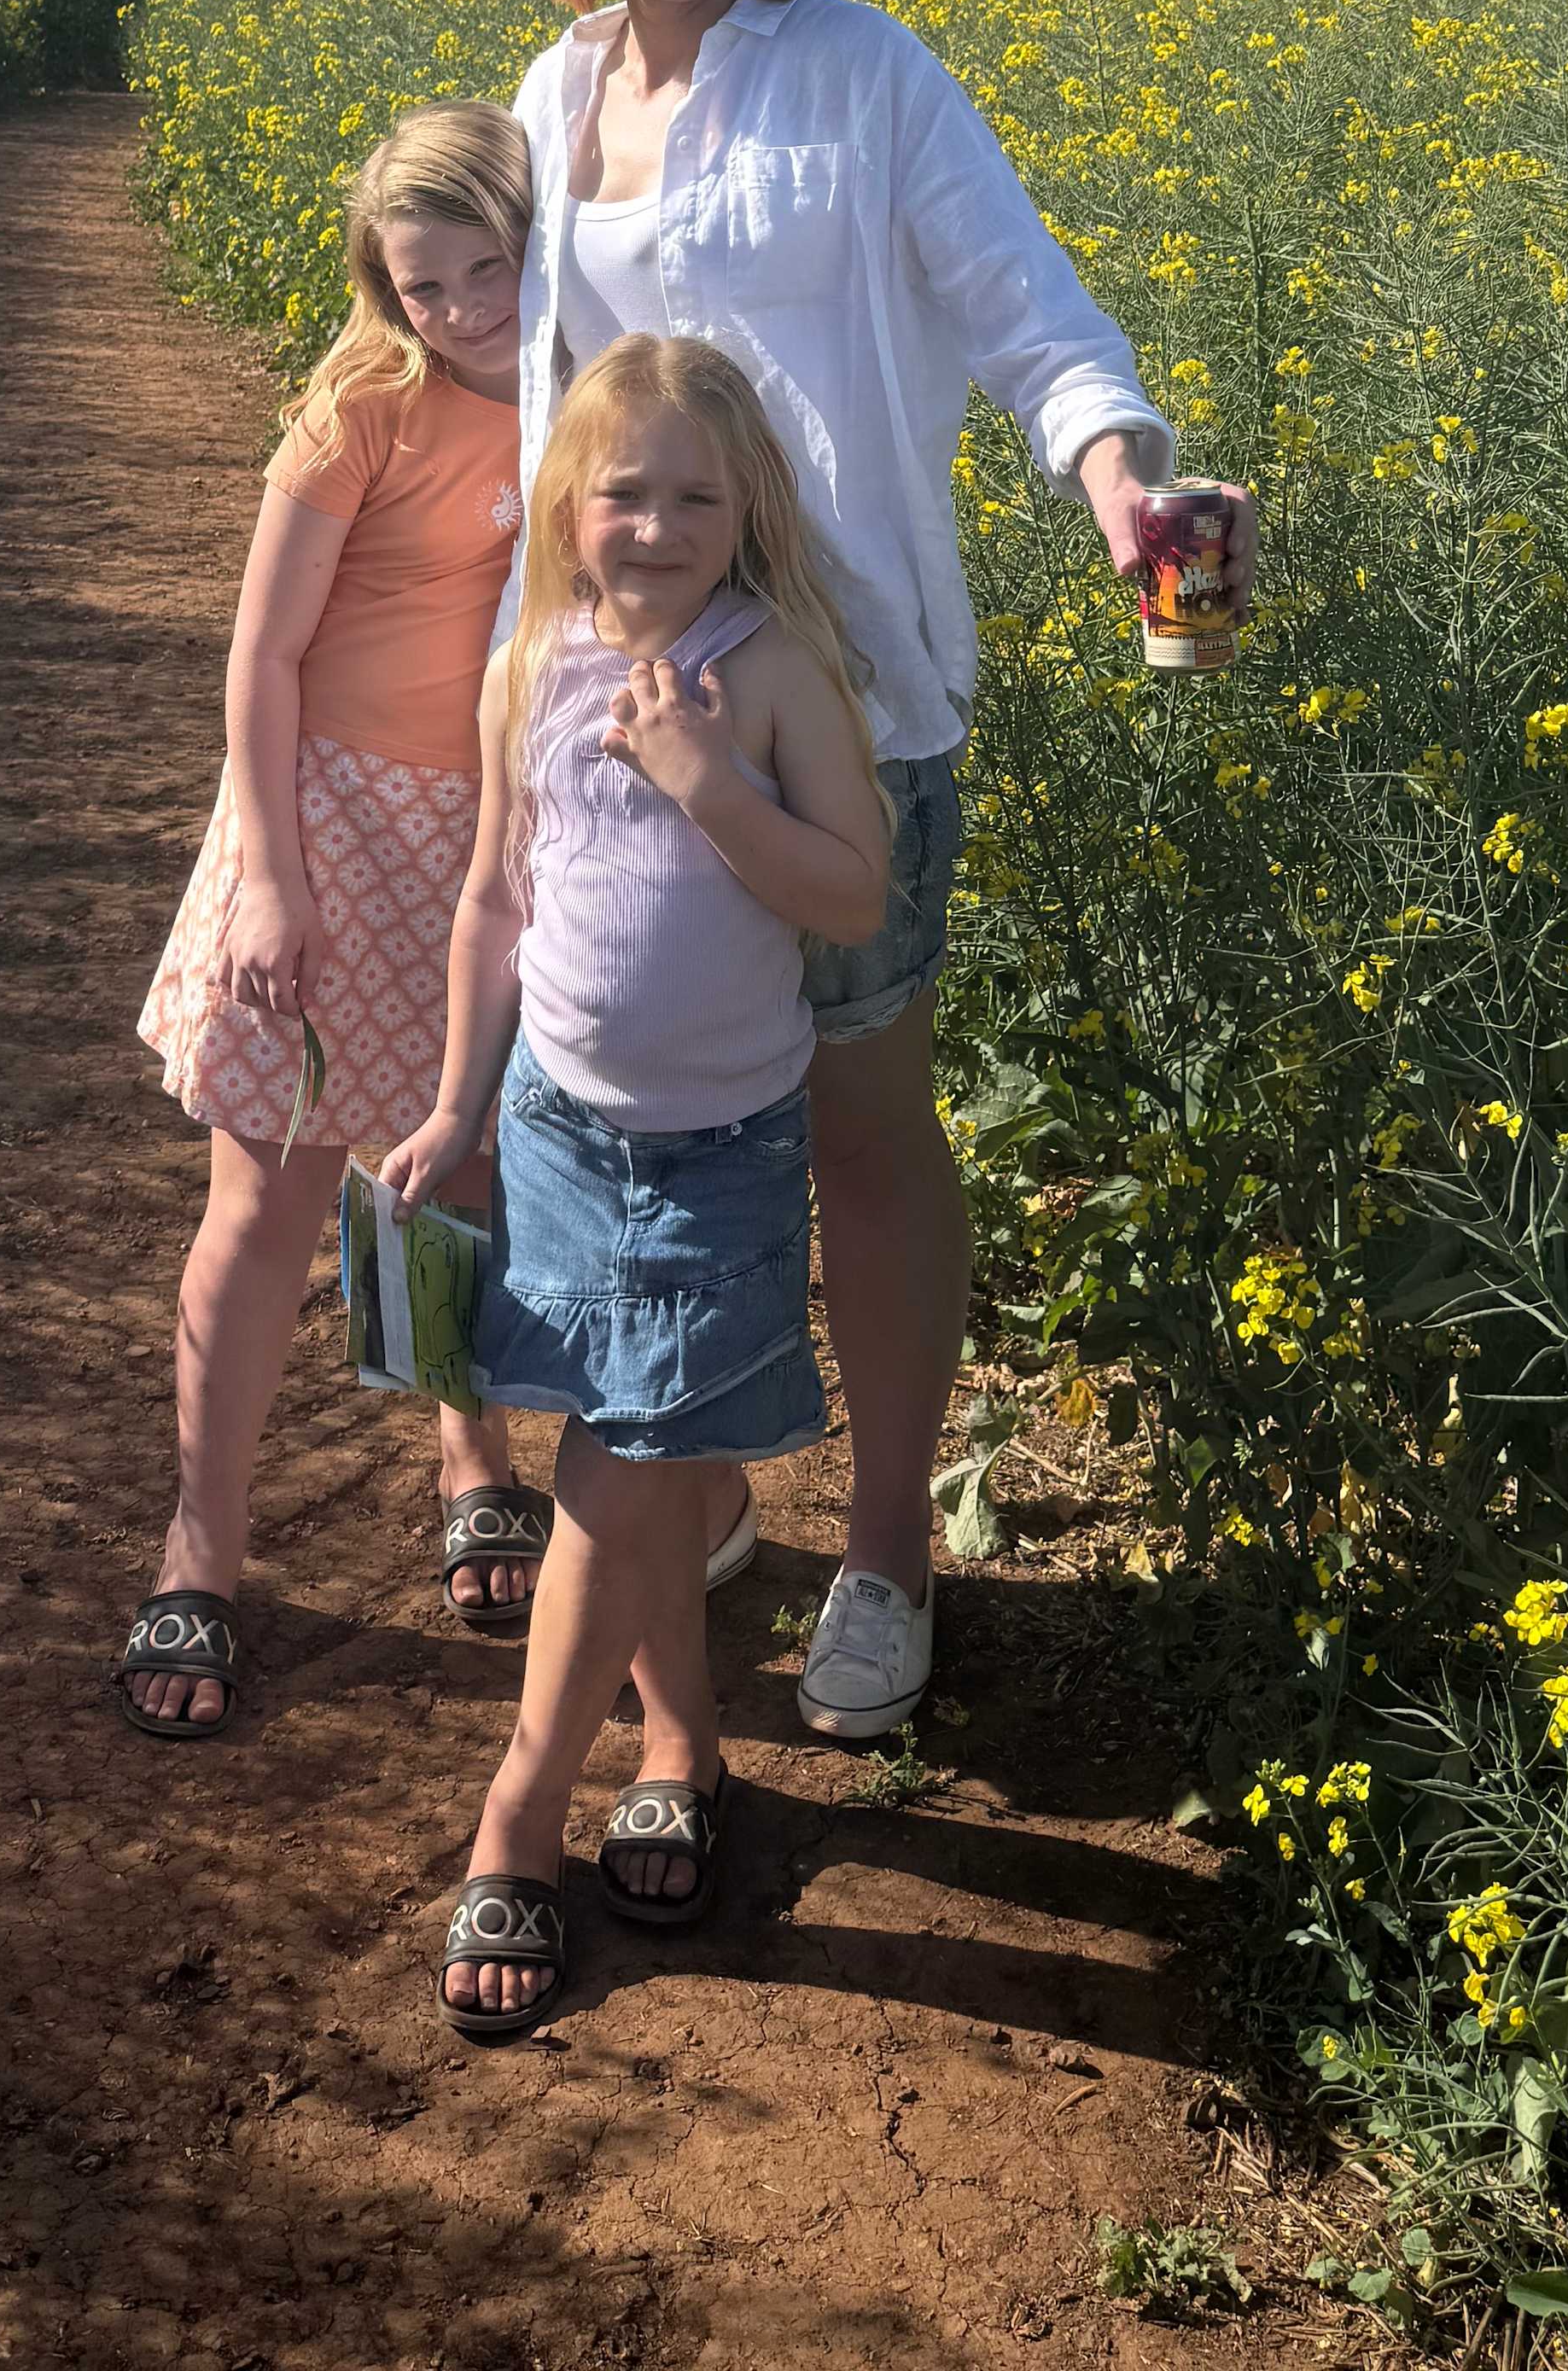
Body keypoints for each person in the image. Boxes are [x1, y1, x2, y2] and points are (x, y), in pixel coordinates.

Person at [493, 0, 1257, 1746]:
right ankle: (705, 1469)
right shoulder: (550, 106)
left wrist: (1118, 474)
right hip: (621, 728)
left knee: (855, 1122)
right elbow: (522, 406)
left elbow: (1025, 306)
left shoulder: (866, 79)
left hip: (846, 716)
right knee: (666, 1113)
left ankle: (894, 1549)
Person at [384, 335, 893, 2037]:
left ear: (748, 505)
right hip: (553, 1121)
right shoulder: (532, 662)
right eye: (625, 492)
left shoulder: (772, 673)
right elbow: (491, 905)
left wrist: (706, 784)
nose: (659, 525)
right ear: (568, 506)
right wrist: (459, 1101)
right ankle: (681, 1744)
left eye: (695, 492)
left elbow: (847, 897)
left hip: (714, 1157)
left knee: (629, 1460)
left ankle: (517, 1815)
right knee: (644, 1462)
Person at [116, 101, 548, 1733]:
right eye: (421, 284)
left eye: (484, 271)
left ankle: (471, 1452)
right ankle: (200, 1553)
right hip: (323, 825)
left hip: (491, 835)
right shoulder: (363, 400)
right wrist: (276, 878)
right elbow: (263, 656)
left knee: (451, 1172)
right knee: (269, 1208)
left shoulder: (584, 372)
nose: (456, 313)